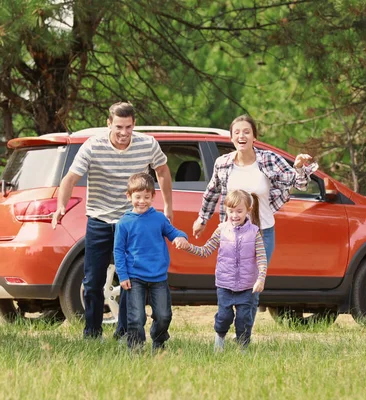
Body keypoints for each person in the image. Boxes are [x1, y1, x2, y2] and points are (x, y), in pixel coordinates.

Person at [51, 102, 174, 340]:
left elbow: (163, 172)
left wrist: (168, 207)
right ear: (109, 124)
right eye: (118, 126)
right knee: (93, 279)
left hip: (132, 221)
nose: (123, 133)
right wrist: (60, 207)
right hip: (99, 218)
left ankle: (124, 331)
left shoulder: (147, 144)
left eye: (128, 127)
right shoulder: (94, 145)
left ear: (134, 125)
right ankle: (92, 332)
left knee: (131, 278)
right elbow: (70, 178)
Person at [192, 114, 317, 319]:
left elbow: (298, 183)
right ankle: (225, 322)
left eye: (246, 132)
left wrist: (299, 168)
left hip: (262, 232)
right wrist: (202, 219)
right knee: (231, 280)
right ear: (231, 138)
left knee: (253, 284)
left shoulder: (268, 159)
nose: (242, 136)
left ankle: (244, 331)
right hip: (231, 235)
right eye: (237, 132)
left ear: (254, 137)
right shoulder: (222, 163)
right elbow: (212, 191)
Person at [179, 189, 267, 350]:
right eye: (231, 211)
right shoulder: (221, 230)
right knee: (224, 317)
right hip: (225, 285)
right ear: (226, 210)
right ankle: (219, 339)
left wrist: (261, 278)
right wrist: (188, 247)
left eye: (239, 211)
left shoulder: (254, 233)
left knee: (244, 319)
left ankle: (243, 347)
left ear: (248, 210)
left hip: (247, 286)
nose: (234, 215)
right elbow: (205, 251)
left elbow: (262, 258)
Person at [114, 173, 187, 351]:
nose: (142, 201)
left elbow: (174, 232)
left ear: (153, 196)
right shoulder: (124, 223)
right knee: (136, 317)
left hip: (158, 277)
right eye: (137, 197)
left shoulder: (159, 218)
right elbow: (118, 251)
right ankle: (136, 348)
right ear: (129, 196)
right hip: (135, 277)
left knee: (163, 315)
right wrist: (122, 275)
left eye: (147, 197)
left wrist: (181, 237)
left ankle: (159, 341)